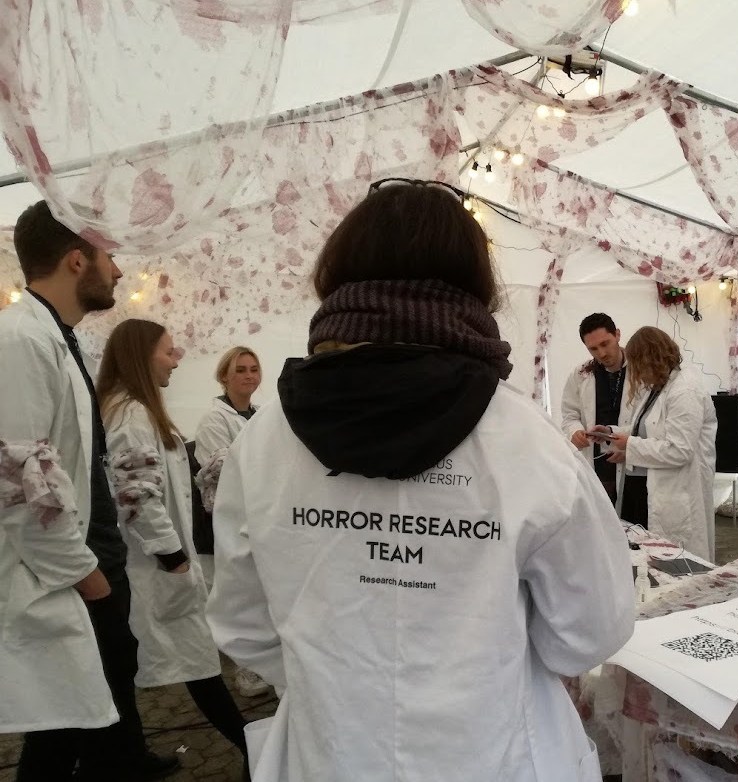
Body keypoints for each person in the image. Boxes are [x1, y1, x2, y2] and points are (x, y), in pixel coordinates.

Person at [205, 178, 633, 782]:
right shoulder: (525, 440)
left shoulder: (263, 442)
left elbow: (244, 626)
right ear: (473, 285)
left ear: (340, 277)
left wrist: (342, 677)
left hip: (328, 752)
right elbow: (590, 629)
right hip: (496, 752)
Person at [1, 201, 177, 782]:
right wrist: (88, 576)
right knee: (61, 727)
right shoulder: (19, 342)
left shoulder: (59, 341)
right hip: (69, 574)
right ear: (78, 261)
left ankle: (120, 768)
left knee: (89, 709)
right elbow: (21, 485)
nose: (120, 273)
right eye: (110, 257)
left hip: (93, 561)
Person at [97, 319, 249, 773]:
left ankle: (127, 758)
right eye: (169, 350)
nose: (178, 356)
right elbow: (136, 494)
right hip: (158, 566)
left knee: (140, 671)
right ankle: (254, 753)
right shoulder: (131, 414)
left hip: (160, 565)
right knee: (199, 666)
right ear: (143, 356)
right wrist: (174, 556)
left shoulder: (138, 408)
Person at [596, 326, 718, 562]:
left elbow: (679, 450)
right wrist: (611, 434)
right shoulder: (658, 387)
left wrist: (630, 445)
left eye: (638, 365)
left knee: (680, 564)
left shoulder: (685, 391)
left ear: (653, 358)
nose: (637, 373)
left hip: (676, 491)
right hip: (647, 488)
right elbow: (648, 428)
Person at [192, 348, 269, 697]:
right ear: (224, 376)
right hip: (230, 516)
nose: (249, 376)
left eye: (254, 369)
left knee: (262, 590)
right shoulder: (214, 419)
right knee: (241, 594)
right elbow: (219, 470)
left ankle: (262, 660)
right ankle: (246, 670)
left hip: (259, 512)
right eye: (240, 370)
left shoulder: (259, 415)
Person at [560, 313, 628, 502]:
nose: (602, 353)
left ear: (617, 334)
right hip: (599, 465)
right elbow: (569, 414)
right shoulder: (581, 374)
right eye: (593, 349)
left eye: (605, 344)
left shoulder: (641, 369)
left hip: (633, 462)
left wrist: (633, 447)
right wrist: (575, 431)